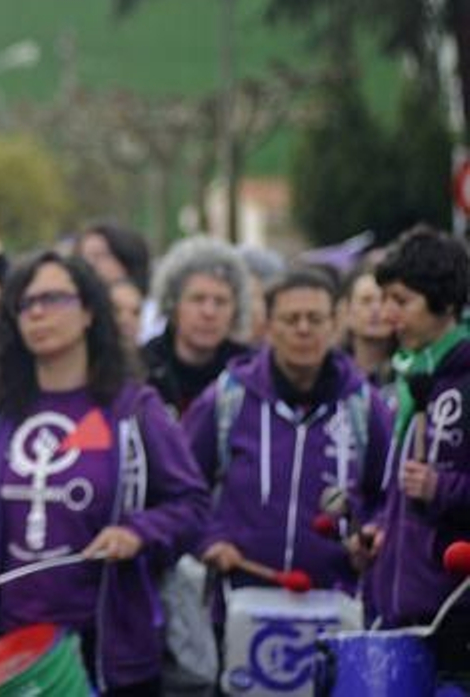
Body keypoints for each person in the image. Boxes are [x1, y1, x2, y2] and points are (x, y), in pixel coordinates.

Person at [0, 251, 208, 697]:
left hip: (107, 649)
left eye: (54, 299)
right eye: (25, 304)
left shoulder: (133, 409)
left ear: (88, 313)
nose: (38, 312)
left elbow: (192, 504)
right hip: (6, 649)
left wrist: (138, 533)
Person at [182, 269, 389, 596]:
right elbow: (183, 487)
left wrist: (375, 532)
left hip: (336, 602)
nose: (303, 329)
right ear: (268, 327)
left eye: (315, 319)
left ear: (335, 324)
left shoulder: (363, 405)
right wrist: (210, 539)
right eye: (291, 319)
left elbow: (388, 495)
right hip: (238, 599)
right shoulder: (227, 399)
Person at [356, 227, 470, 672]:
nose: (387, 314)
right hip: (405, 617)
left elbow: (434, 487)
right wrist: (382, 528)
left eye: (401, 301)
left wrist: (442, 487)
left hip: (457, 617)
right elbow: (401, 495)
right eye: (383, 299)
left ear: (443, 301)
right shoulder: (408, 381)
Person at [142, 236, 253, 414]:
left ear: (236, 309)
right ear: (173, 303)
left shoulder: (250, 372)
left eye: (221, 301)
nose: (209, 312)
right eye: (197, 299)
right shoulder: (141, 368)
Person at [339, 267, 396, 392]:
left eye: (383, 300)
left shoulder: (410, 372)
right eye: (366, 300)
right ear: (347, 311)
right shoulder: (334, 372)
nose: (376, 309)